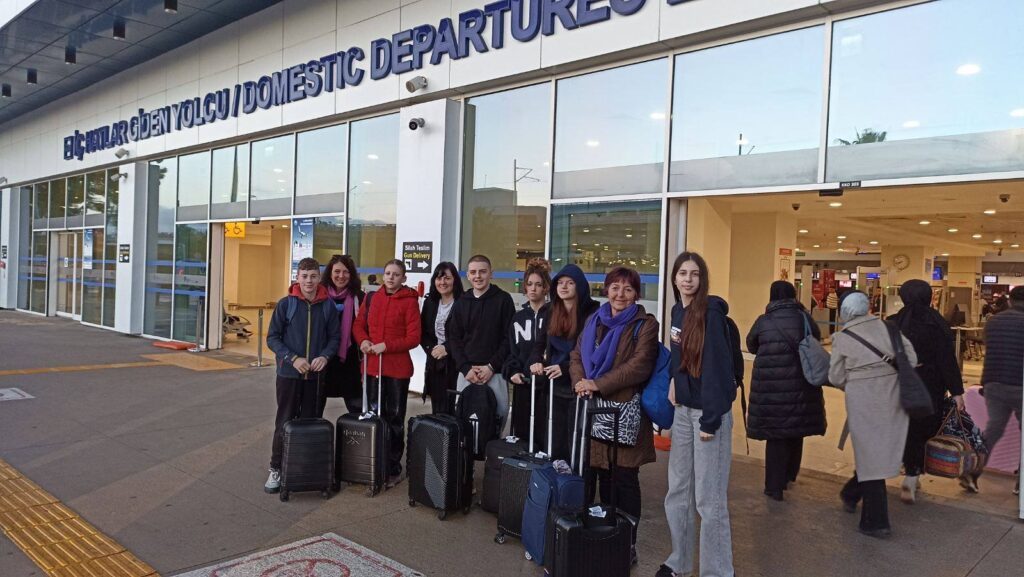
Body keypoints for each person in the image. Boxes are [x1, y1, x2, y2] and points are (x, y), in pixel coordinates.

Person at [570, 266, 658, 566]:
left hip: (624, 412)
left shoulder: (645, 324)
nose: (620, 294)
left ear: (637, 294)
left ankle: (627, 543)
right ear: (606, 289)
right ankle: (604, 538)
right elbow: (576, 355)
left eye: (628, 289)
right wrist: (580, 382)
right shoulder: (594, 319)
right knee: (603, 477)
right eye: (615, 287)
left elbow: (639, 365)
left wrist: (597, 383)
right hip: (593, 410)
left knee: (625, 480)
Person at [659, 252, 737, 577]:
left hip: (708, 415)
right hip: (683, 412)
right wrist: (675, 382)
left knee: (709, 500)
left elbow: (718, 367)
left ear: (702, 279)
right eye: (683, 273)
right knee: (678, 491)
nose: (688, 279)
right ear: (675, 278)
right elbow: (680, 355)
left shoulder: (711, 314)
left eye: (694, 274)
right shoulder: (678, 311)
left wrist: (711, 418)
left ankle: (717, 572)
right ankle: (679, 562)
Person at [829, 291, 917, 538]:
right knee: (878, 452)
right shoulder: (890, 328)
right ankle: (851, 493)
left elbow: (835, 376)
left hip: (862, 401)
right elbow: (911, 358)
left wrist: (859, 377)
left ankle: (876, 521)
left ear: (845, 311)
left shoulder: (843, 337)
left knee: (869, 454)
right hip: (893, 397)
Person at [264, 257, 340, 494]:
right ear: (297, 278)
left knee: (311, 422)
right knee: (284, 421)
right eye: (304, 276)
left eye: (313, 276)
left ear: (319, 278)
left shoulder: (327, 306)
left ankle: (306, 469)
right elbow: (272, 338)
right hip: (289, 374)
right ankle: (276, 468)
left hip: (315, 377)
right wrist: (293, 358)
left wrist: (325, 356)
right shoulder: (286, 304)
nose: (309, 281)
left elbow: (335, 338)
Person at [745, 280, 826, 501]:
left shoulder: (764, 321)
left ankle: (774, 487)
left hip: (771, 387)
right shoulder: (804, 318)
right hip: (802, 385)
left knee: (776, 436)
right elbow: (816, 340)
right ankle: (790, 475)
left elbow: (751, 345)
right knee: (795, 430)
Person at [888, 279, 963, 502]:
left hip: (899, 384)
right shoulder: (937, 323)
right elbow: (946, 359)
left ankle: (908, 467)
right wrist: (957, 391)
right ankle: (913, 475)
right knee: (923, 430)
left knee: (904, 428)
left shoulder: (892, 322)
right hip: (930, 385)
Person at [353, 259, 422, 488]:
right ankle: (373, 463)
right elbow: (358, 325)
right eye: (388, 273)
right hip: (372, 367)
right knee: (373, 415)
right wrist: (363, 340)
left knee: (394, 419)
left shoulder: (410, 302)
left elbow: (414, 337)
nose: (391, 277)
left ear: (403, 278)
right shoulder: (372, 298)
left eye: (396, 274)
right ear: (383, 276)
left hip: (397, 370)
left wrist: (387, 346)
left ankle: (393, 467)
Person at [529, 263, 600, 460]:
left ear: (580, 285)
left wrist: (565, 367)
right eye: (560, 282)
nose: (564, 287)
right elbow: (539, 343)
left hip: (578, 382)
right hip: (553, 384)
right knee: (554, 439)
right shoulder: (551, 310)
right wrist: (535, 360)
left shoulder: (592, 313)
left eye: (570, 283)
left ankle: (576, 478)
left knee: (575, 440)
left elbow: (591, 352)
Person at [447, 254, 516, 434]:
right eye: (473, 272)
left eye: (482, 272)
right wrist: (465, 368)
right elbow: (454, 339)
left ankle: (491, 452)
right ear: (468, 275)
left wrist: (491, 366)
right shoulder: (461, 302)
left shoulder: (503, 300)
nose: (478, 276)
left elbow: (509, 338)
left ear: (491, 274)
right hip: (467, 374)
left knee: (497, 418)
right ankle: (466, 454)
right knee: (464, 422)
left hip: (495, 373)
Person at [976, 285, 1024, 496]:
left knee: (993, 429)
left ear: (1010, 300)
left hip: (994, 382)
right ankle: (1021, 484)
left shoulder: (994, 321)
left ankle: (973, 470)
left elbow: (990, 348)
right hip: (1020, 384)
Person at [502, 258, 551, 449]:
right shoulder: (518, 318)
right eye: (529, 284)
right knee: (522, 437)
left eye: (538, 284)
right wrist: (512, 371)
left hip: (547, 388)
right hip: (523, 386)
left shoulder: (554, 315)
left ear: (545, 288)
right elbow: (511, 352)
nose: (533, 289)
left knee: (545, 437)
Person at [321, 254, 365, 416]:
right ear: (330, 273)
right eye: (337, 271)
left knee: (356, 409)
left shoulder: (359, 297)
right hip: (322, 359)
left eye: (346, 272)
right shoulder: (319, 295)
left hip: (349, 361)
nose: (341, 276)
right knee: (314, 407)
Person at [420, 262, 465, 415]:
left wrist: (447, 348)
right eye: (439, 278)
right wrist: (431, 350)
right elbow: (423, 332)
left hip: (457, 363)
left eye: (447, 278)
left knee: (454, 408)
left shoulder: (463, 302)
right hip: (435, 363)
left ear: (455, 280)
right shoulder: (430, 302)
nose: (442, 282)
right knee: (438, 408)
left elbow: (467, 334)